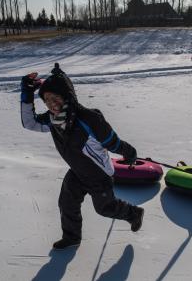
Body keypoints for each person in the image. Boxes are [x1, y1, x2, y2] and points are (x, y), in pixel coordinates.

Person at [20, 64, 144, 250]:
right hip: (77, 171)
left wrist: (129, 152)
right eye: (46, 100)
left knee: (104, 208)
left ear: (66, 96)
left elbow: (112, 142)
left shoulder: (88, 118)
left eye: (55, 98)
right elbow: (30, 123)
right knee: (67, 203)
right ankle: (72, 237)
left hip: (99, 175)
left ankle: (133, 213)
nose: (51, 104)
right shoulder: (53, 120)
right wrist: (27, 95)